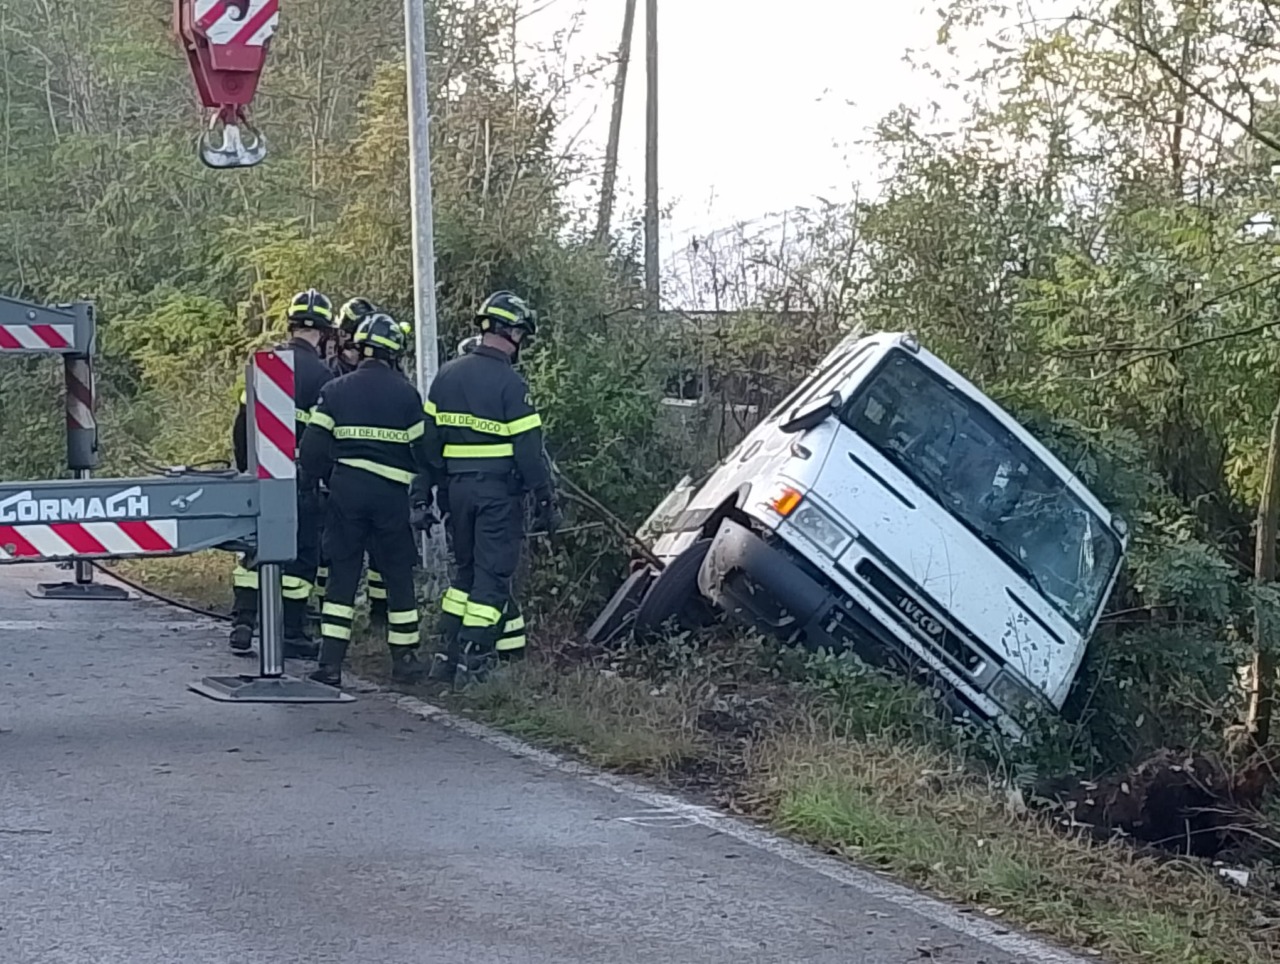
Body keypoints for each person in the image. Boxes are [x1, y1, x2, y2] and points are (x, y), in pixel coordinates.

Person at [415, 290, 560, 685]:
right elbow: (529, 452)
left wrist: (433, 489)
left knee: (465, 575)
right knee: (492, 577)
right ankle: (474, 662)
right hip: (498, 495)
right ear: (512, 331)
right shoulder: (512, 385)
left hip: (456, 493)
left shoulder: (445, 376)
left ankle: (446, 655)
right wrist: (545, 497)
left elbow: (429, 446)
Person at [300, 312, 438, 686]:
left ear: (360, 349)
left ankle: (330, 663)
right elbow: (425, 453)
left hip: (346, 495)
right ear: (395, 353)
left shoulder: (336, 390)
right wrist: (422, 495)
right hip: (391, 499)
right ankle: (405, 659)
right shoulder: (406, 395)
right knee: (397, 576)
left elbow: (311, 448)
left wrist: (314, 483)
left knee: (342, 576)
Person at [229, 288, 336, 659]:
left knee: (253, 547)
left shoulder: (266, 363)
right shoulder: (324, 374)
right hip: (299, 479)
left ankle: (243, 619)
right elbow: (323, 437)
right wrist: (319, 477)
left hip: (259, 473)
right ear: (323, 332)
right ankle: (291, 630)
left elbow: (243, 422)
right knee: (301, 553)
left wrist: (246, 465)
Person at [313, 295, 388, 630]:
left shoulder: (385, 374)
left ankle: (379, 613)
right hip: (335, 478)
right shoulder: (329, 375)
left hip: (372, 480)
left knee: (381, 554)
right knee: (328, 554)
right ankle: (318, 608)